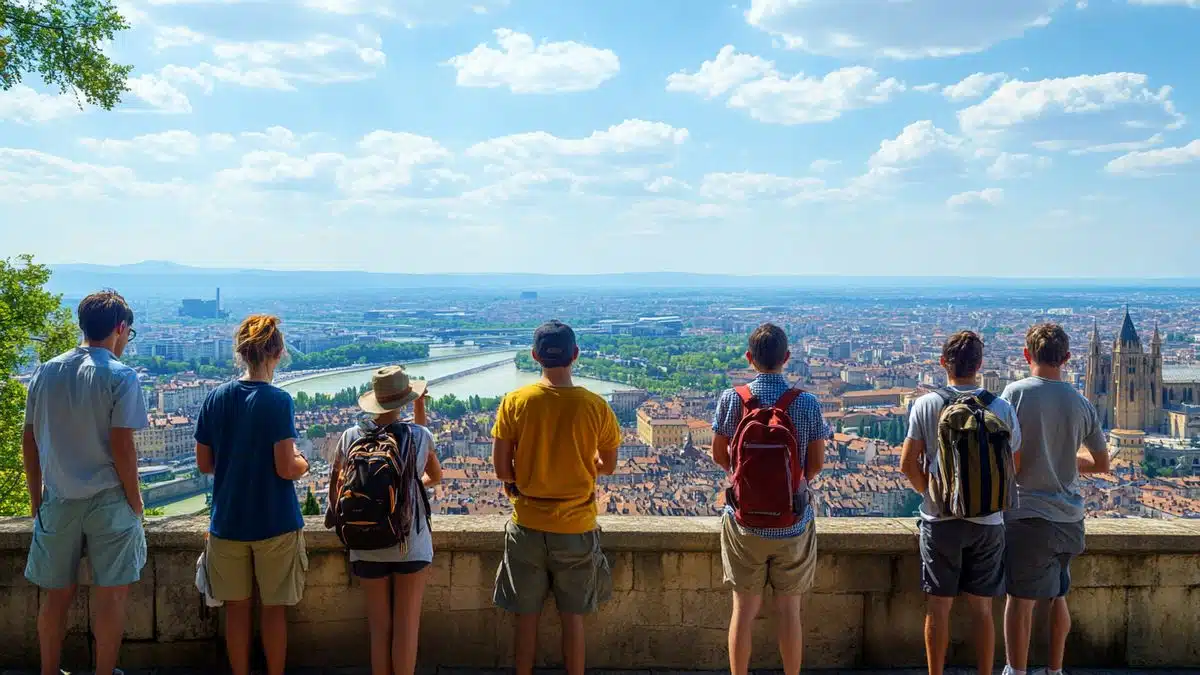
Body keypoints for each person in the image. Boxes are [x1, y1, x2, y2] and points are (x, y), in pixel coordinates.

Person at [22, 290, 148, 675]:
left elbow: (29, 440)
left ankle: (49, 671)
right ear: (120, 328)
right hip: (109, 500)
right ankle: (104, 672)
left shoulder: (45, 371)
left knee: (55, 597)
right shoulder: (121, 376)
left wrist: (35, 497)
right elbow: (122, 445)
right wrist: (135, 500)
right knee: (110, 598)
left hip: (58, 497)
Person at [491, 320, 620, 675]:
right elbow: (607, 465)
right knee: (573, 621)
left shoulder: (515, 402)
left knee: (526, 620)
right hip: (576, 526)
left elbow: (502, 470)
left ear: (534, 357)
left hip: (528, 524)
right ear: (575, 356)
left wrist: (528, 470)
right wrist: (584, 460)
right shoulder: (595, 406)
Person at [710, 323, 830, 675]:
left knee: (742, 611)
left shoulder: (733, 399)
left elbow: (719, 454)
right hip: (792, 522)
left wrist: (743, 476)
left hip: (744, 523)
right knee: (789, 612)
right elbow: (816, 464)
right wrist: (793, 483)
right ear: (787, 358)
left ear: (750, 359)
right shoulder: (806, 403)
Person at [900, 331, 1022, 675]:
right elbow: (1017, 464)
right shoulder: (1001, 408)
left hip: (940, 522)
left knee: (938, 609)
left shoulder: (926, 404)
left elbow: (908, 464)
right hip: (988, 522)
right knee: (983, 611)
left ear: (943, 363)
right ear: (980, 366)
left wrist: (933, 495)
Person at [194, 314, 309, 675]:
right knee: (274, 610)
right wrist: (303, 462)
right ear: (277, 353)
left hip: (228, 521)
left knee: (237, 610)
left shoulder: (216, 397)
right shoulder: (278, 401)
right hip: (274, 520)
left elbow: (205, 463)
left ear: (241, 353)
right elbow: (285, 468)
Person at [1000, 324, 1109, 675]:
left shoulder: (1014, 394)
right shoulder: (1081, 403)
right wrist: (1063, 459)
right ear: (1067, 358)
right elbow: (1102, 463)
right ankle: (1055, 670)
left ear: (1026, 354)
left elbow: (1001, 451)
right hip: (1069, 518)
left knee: (1021, 600)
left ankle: (1016, 673)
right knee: (1059, 594)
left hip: (1028, 514)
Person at [328, 366, 442, 675]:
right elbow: (435, 476)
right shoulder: (420, 436)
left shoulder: (350, 436)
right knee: (406, 626)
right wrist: (407, 482)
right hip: (410, 542)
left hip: (365, 541)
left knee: (379, 629)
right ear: (407, 398)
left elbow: (337, 489)